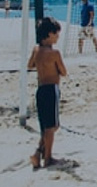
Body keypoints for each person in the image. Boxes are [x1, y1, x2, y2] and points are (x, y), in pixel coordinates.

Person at [28, 17, 68, 169]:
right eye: (56, 34)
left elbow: (30, 65)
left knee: (47, 126)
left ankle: (38, 153)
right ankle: (47, 157)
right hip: (51, 89)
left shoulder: (36, 50)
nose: (58, 37)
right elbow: (63, 71)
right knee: (52, 127)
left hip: (41, 89)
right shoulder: (54, 53)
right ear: (49, 34)